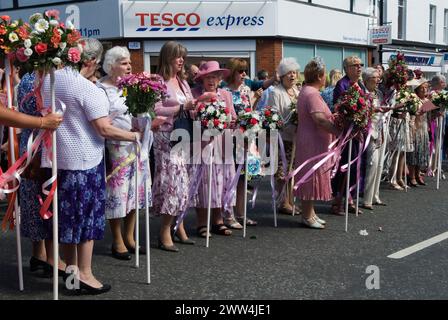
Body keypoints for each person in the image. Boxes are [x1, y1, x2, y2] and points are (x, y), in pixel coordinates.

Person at [41, 38, 141, 294]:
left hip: (57, 161)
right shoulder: (88, 88)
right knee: (86, 220)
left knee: (67, 220)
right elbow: (104, 128)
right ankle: (85, 273)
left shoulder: (50, 79)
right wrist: (134, 136)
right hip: (84, 161)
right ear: (90, 60)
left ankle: (72, 273)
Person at [97, 46, 152, 260]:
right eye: (123, 62)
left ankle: (130, 237)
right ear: (111, 66)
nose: (129, 66)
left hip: (137, 146)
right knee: (117, 195)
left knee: (134, 194)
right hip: (116, 147)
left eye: (129, 62)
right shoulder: (101, 88)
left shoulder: (132, 86)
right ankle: (117, 239)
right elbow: (102, 119)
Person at [16, 70, 65, 278]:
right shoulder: (47, 80)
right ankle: (51, 257)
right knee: (45, 195)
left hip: (30, 141)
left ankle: (38, 254)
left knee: (33, 196)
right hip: (43, 142)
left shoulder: (26, 79)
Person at [152, 41, 196, 252]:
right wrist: (180, 108)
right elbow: (155, 109)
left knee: (183, 182)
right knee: (172, 183)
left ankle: (178, 226)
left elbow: (190, 106)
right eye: (178, 56)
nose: (181, 61)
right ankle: (164, 231)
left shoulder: (183, 82)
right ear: (167, 57)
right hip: (165, 136)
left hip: (182, 135)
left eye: (183, 57)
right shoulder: (158, 81)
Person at [191, 61, 237, 237]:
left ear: (219, 79)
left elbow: (232, 117)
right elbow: (190, 116)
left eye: (215, 77)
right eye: (208, 77)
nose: (212, 80)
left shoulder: (225, 94)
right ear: (202, 79)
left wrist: (232, 123)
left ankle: (218, 221)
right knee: (204, 183)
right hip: (201, 143)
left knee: (221, 182)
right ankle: (202, 223)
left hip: (222, 143)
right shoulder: (195, 93)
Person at [294, 58, 340, 229]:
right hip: (312, 140)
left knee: (310, 175)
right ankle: (307, 215)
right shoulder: (312, 93)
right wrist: (338, 132)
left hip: (310, 139)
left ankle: (310, 213)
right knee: (310, 176)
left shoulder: (307, 91)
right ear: (320, 76)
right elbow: (319, 119)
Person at [222, 58, 258, 228]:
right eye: (240, 71)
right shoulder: (224, 91)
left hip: (246, 139)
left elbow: (250, 112)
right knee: (230, 178)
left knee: (244, 178)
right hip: (231, 139)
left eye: (245, 71)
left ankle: (241, 214)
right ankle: (227, 214)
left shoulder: (245, 90)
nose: (244, 74)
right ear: (232, 72)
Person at [331, 56, 366, 215]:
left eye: (361, 65)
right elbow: (341, 110)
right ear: (347, 68)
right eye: (355, 65)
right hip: (346, 134)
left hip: (358, 132)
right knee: (344, 166)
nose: (359, 68)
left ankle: (350, 198)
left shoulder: (361, 85)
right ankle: (337, 201)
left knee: (355, 167)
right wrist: (351, 130)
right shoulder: (342, 85)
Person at [267, 57, 300, 215]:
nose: (292, 76)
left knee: (293, 171)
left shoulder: (297, 91)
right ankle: (283, 201)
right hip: (281, 137)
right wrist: (288, 120)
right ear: (282, 75)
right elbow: (273, 113)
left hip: (295, 137)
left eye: (294, 72)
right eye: (288, 73)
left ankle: (290, 200)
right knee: (282, 171)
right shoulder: (276, 92)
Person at [361, 68, 388, 210]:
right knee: (372, 164)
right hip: (369, 133)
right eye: (375, 78)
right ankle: (367, 199)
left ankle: (375, 196)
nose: (378, 80)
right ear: (366, 80)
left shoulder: (378, 93)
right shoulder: (362, 93)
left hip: (379, 131)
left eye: (379, 78)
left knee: (379, 165)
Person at [407, 78, 430, 187]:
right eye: (422, 87)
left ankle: (418, 174)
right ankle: (411, 176)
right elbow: (412, 114)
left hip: (424, 128)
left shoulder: (427, 100)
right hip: (415, 128)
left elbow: (429, 116)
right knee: (413, 154)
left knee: (421, 153)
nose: (425, 90)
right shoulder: (414, 99)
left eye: (426, 87)